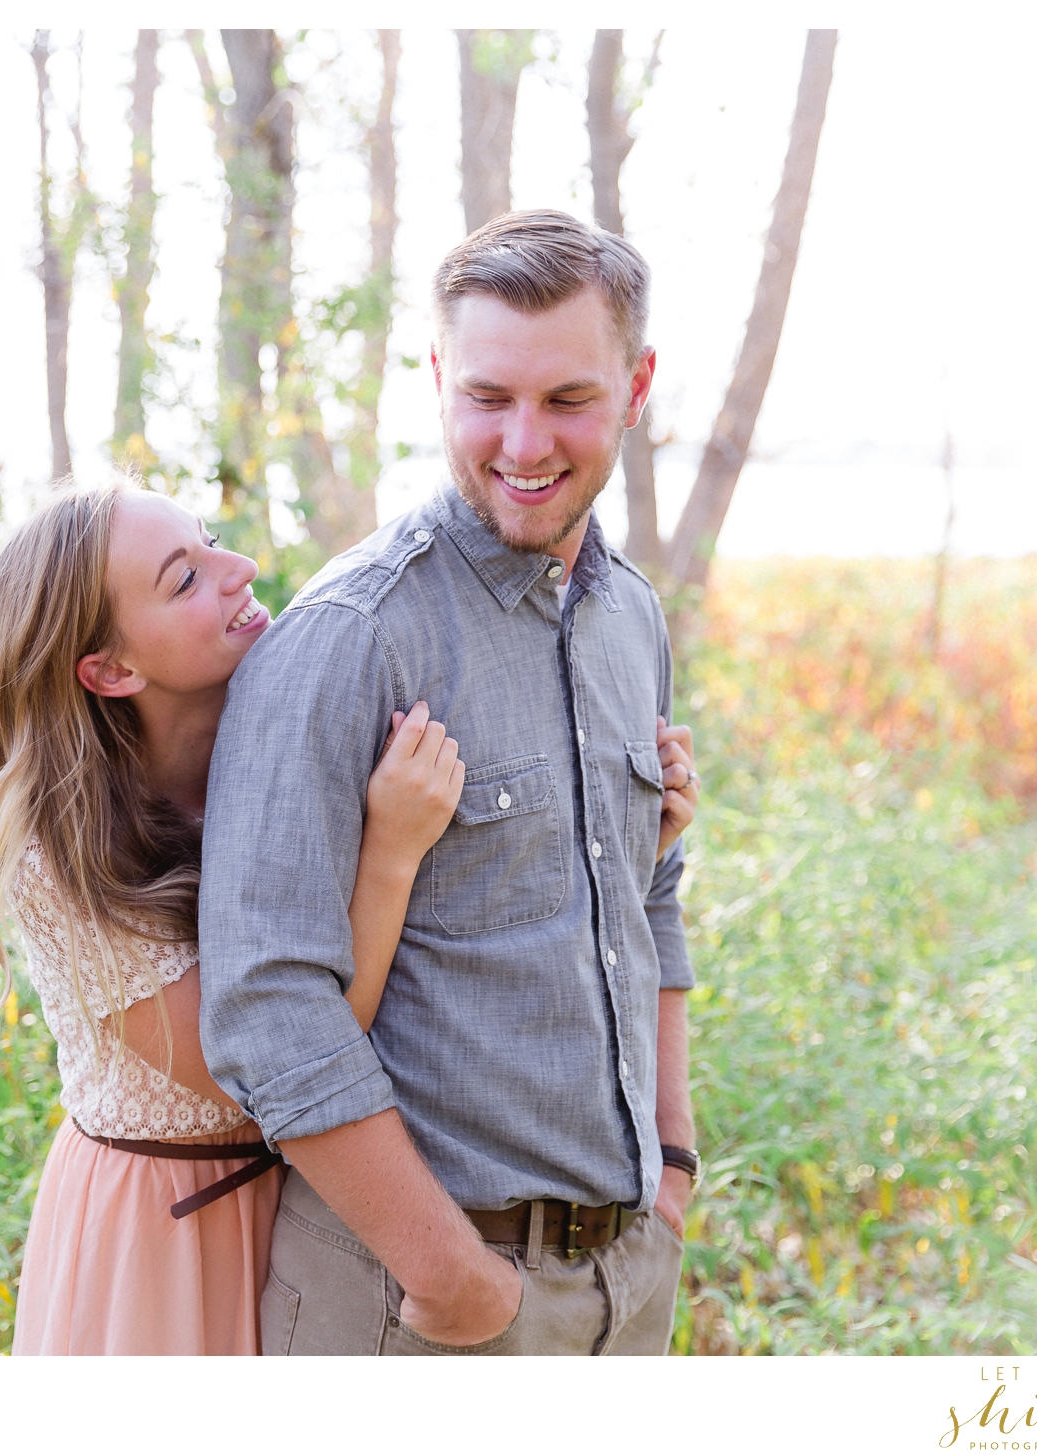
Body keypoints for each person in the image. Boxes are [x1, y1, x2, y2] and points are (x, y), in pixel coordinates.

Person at [197, 208, 704, 1356]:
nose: (523, 443)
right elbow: (264, 1005)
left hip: (625, 1286)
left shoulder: (628, 617)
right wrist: (449, 1275)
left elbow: (649, 899)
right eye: (487, 397)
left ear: (635, 387)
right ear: (435, 378)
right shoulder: (347, 639)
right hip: (413, 1305)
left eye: (566, 399)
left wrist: (669, 1164)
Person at [0, 482, 465, 1355]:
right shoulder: (59, 860)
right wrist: (388, 853)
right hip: (162, 1234)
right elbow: (282, 1065)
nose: (242, 570)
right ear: (112, 669)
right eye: (185, 578)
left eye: (212, 541)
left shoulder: (286, 752)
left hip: (317, 1198)